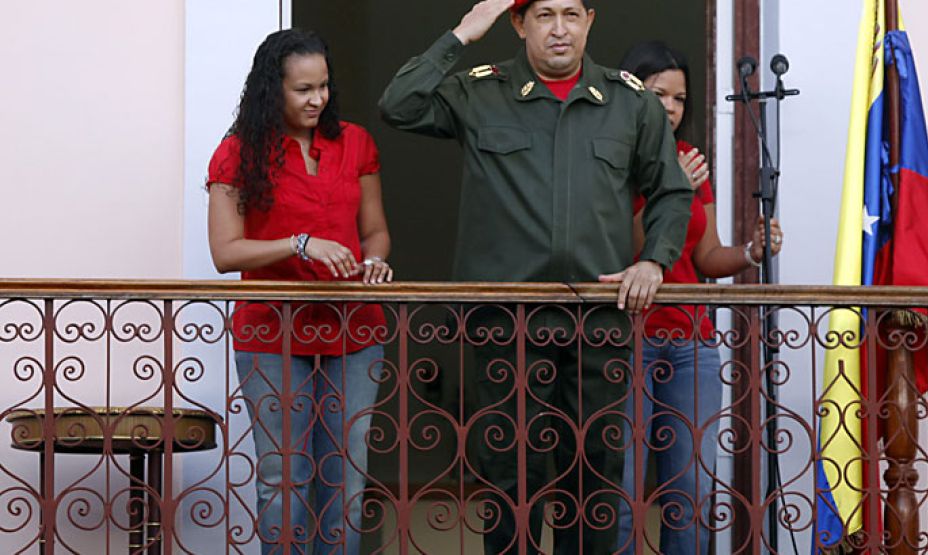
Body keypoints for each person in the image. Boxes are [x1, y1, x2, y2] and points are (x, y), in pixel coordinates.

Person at [379, 1, 693, 553]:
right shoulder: (481, 91)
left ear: (590, 21)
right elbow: (399, 104)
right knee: (510, 478)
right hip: (506, 322)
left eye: (571, 14)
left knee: (594, 475)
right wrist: (462, 34)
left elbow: (670, 190)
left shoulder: (630, 103)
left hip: (599, 320)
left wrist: (654, 260)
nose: (559, 29)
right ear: (520, 24)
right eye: (544, 15)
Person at [206, 29, 392, 555]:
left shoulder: (355, 142)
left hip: (355, 327)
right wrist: (299, 244)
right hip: (271, 329)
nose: (318, 100)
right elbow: (226, 252)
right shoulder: (238, 152)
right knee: (283, 480)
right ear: (273, 90)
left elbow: (374, 228)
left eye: (324, 87)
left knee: (346, 480)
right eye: (303, 90)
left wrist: (375, 260)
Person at [614, 41, 783, 554]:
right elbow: (628, 247)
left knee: (691, 492)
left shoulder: (689, 159)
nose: (669, 106)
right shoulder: (611, 157)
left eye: (679, 98)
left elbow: (705, 256)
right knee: (618, 495)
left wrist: (751, 252)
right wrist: (674, 191)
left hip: (692, 342)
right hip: (628, 339)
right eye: (657, 93)